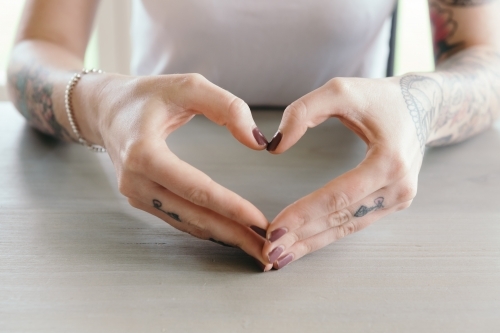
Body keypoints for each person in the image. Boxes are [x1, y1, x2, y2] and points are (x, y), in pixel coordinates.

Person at [7, 0, 500, 272]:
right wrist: (102, 105)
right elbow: (37, 48)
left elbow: (483, 57)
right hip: (153, 204)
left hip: (354, 206)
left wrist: (420, 104)